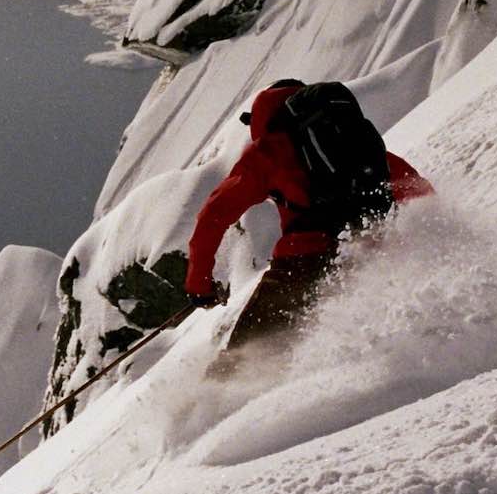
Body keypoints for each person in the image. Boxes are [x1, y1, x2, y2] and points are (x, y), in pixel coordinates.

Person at [184, 78, 432, 349]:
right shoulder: (348, 137)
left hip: (302, 263)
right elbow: (412, 184)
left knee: (245, 354)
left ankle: (226, 390)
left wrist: (200, 285)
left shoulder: (267, 151)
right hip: (363, 253)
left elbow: (214, 214)